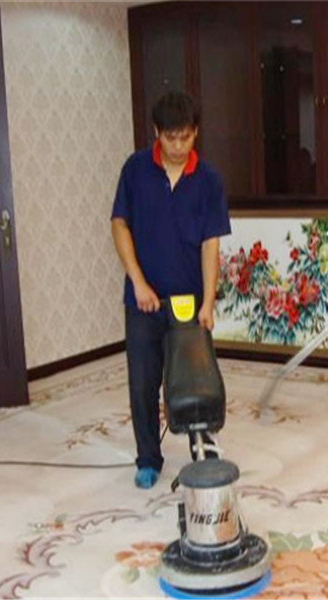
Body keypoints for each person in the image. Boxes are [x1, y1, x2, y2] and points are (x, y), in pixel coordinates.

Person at [111, 91, 231, 488]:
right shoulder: (135, 170)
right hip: (144, 300)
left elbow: (211, 243)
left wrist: (208, 301)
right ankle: (148, 457)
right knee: (143, 381)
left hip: (188, 301)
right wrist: (138, 282)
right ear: (157, 133)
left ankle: (203, 451)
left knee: (196, 380)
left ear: (196, 132)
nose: (178, 146)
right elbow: (119, 225)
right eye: (170, 137)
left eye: (185, 137)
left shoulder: (209, 179)